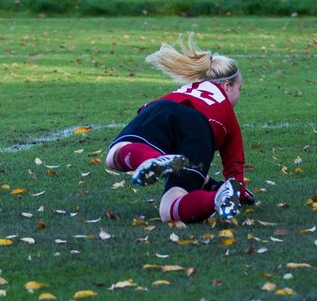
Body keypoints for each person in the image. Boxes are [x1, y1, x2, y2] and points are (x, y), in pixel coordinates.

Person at [105, 34, 256, 223]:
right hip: (201, 129)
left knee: (115, 154)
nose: (239, 93)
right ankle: (216, 199)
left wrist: (211, 183)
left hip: (161, 108)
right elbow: (235, 172)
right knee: (169, 207)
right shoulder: (228, 119)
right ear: (226, 87)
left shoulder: (186, 89)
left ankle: (153, 159)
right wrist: (239, 193)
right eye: (239, 88)